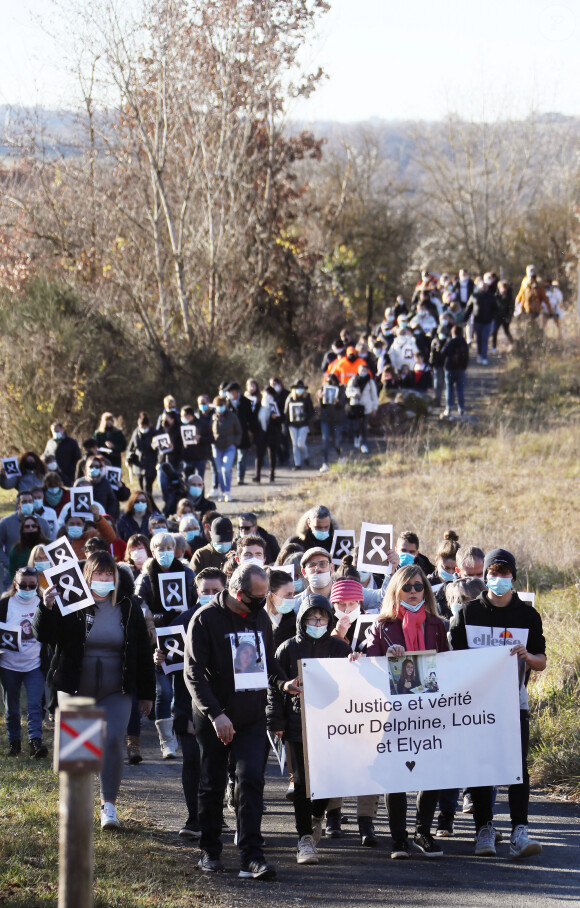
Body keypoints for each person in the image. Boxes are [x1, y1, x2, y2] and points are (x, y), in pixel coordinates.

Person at [184, 563, 295, 880]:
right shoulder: (205, 620)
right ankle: (210, 851)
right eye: (257, 597)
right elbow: (193, 674)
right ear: (237, 593)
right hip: (214, 716)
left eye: (265, 596)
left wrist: (283, 683)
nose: (263, 603)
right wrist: (216, 714)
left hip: (251, 715)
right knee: (213, 782)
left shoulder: (259, 617)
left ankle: (251, 855)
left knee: (250, 781)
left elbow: (268, 662)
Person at [34, 552, 155, 828]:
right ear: (86, 576)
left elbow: (142, 653)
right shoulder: (71, 605)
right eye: (98, 574)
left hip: (117, 689)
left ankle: (108, 805)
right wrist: (48, 606)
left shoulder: (128, 605)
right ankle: (77, 805)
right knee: (80, 748)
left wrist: (148, 693)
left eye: (108, 574)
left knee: (113, 739)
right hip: (76, 689)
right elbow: (45, 635)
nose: (103, 579)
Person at [449, 548, 546, 860]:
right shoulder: (467, 614)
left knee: (517, 766)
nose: (499, 579)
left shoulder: (528, 615)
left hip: (513, 702)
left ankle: (520, 831)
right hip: (476, 704)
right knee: (481, 765)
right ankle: (484, 830)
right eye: (493, 573)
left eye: (505, 574)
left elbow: (541, 660)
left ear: (513, 577)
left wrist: (527, 657)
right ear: (485, 576)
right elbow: (454, 660)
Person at [366, 564, 449, 858]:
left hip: (429, 710)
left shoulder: (438, 626)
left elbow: (450, 664)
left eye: (419, 586)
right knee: (396, 774)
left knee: (432, 772)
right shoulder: (381, 625)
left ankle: (422, 832)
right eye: (407, 587)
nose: (413, 592)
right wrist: (384, 657)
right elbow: (367, 666)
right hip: (393, 714)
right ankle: (399, 838)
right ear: (395, 590)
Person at [267, 593, 351, 865]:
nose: (318, 621)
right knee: (301, 783)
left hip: (332, 726)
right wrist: (275, 721)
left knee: (326, 782)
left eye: (323, 617)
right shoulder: (287, 649)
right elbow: (274, 686)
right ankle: (304, 838)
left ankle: (317, 816)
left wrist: (358, 660)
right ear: (302, 620)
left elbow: (354, 682)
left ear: (330, 619)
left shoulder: (340, 649)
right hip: (296, 724)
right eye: (312, 617)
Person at [134, 532, 196, 760]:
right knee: (164, 691)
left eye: (169, 547)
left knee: (182, 691)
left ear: (176, 549)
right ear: (153, 551)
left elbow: (196, 604)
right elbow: (141, 610)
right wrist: (164, 617)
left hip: (184, 640)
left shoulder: (188, 574)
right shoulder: (145, 578)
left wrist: (184, 614)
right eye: (160, 547)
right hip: (157, 642)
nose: (165, 552)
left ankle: (184, 736)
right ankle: (166, 742)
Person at [0, 567, 49, 758]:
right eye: (23, 585)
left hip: (34, 664)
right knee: (11, 707)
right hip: (8, 665)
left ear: (37, 586)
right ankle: (14, 743)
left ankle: (35, 741)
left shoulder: (42, 603)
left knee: (35, 705)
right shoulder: (5, 604)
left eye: (32, 585)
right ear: (15, 584)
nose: (27, 589)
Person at [0, 493, 51, 592]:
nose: (31, 529)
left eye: (30, 501)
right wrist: (8, 562)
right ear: (17, 504)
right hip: (15, 576)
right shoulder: (5, 523)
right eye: (24, 502)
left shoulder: (43, 522)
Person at [211, 395, 242, 503]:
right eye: (218, 405)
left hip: (229, 446)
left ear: (226, 405)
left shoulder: (232, 416)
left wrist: (234, 442)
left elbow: (239, 431)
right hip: (216, 446)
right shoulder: (213, 417)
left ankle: (228, 491)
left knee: (226, 469)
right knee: (219, 470)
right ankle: (222, 491)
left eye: (222, 405)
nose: (220, 407)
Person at [345, 362, 378, 454]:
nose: (363, 372)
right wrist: (355, 394)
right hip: (355, 405)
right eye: (361, 370)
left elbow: (374, 395)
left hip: (366, 406)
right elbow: (347, 392)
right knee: (356, 425)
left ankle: (364, 443)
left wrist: (374, 407)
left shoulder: (370, 382)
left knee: (364, 425)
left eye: (364, 370)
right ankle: (357, 438)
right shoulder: (353, 380)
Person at [464, 273, 497, 365]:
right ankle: (479, 355)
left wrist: (492, 318)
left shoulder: (491, 296)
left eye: (485, 286)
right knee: (479, 339)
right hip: (477, 321)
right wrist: (465, 319)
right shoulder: (474, 296)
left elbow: (495, 309)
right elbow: (469, 308)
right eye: (482, 286)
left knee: (485, 339)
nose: (484, 288)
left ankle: (484, 356)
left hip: (487, 321)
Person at [317, 372, 346, 472]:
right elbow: (321, 406)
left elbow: (343, 403)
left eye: (331, 381)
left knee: (336, 441)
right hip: (326, 418)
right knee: (325, 440)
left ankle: (341, 456)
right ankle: (325, 462)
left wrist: (338, 401)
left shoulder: (341, 389)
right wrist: (320, 398)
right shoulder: (323, 388)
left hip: (337, 419)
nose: (330, 383)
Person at [7, 515, 50, 583]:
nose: (31, 528)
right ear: (23, 529)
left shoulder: (49, 544)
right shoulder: (16, 549)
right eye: (27, 526)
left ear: (38, 528)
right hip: (26, 587)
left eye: (34, 526)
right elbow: (12, 571)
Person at [253, 387, 282, 484]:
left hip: (272, 434)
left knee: (272, 455)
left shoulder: (276, 405)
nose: (267, 396)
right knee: (259, 455)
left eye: (269, 394)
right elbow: (254, 419)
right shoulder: (258, 406)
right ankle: (257, 475)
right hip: (261, 433)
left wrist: (275, 418)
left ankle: (272, 474)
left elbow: (281, 419)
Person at [180, 400, 214, 481]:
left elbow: (211, 439)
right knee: (187, 480)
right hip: (187, 457)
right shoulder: (181, 426)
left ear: (190, 415)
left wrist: (200, 439)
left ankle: (200, 494)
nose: (182, 418)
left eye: (184, 415)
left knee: (199, 480)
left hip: (200, 457)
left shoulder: (202, 424)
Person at [284, 381, 314, 471]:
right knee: (295, 445)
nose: (299, 390)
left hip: (303, 424)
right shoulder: (290, 398)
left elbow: (312, 412)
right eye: (297, 388)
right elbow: (286, 412)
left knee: (300, 443)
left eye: (301, 388)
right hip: (292, 425)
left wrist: (306, 415)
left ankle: (306, 456)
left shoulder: (307, 398)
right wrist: (285, 425)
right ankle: (298, 464)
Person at [441, 324, 469, 418]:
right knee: (460, 389)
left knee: (449, 388)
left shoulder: (450, 341)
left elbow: (443, 352)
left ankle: (449, 408)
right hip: (461, 368)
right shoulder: (464, 342)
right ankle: (461, 408)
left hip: (449, 368)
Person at [126, 412, 158, 494]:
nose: (143, 429)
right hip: (138, 464)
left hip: (150, 464)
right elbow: (131, 447)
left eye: (144, 427)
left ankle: (148, 503)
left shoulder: (154, 433)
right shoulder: (136, 433)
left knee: (147, 487)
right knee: (141, 487)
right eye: (141, 427)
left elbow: (159, 450)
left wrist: (154, 446)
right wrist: (128, 459)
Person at [43, 421, 81, 487]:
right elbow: (46, 455)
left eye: (57, 431)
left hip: (68, 474)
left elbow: (77, 457)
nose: (56, 433)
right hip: (54, 474)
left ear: (62, 430)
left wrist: (72, 470)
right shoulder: (50, 442)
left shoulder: (71, 442)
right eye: (54, 431)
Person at [492, 281, 515, 352]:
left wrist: (508, 317)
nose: (503, 289)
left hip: (505, 317)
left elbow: (511, 309)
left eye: (505, 288)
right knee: (494, 331)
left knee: (506, 331)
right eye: (502, 288)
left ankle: (513, 344)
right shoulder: (496, 296)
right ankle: (494, 347)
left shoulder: (509, 297)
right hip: (497, 317)